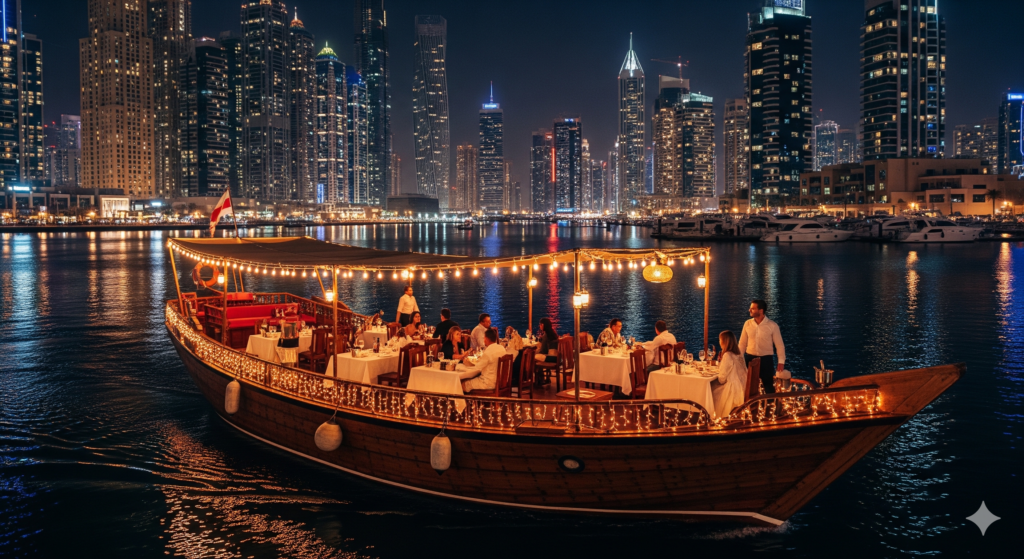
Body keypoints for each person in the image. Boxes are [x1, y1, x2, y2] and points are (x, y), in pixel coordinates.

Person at [738, 299, 786, 394]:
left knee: (768, 386)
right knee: (749, 387)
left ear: (761, 310)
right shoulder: (747, 324)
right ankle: (750, 407)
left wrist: (781, 362)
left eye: (752, 308)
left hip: (766, 360)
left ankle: (770, 407)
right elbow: (742, 343)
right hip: (750, 359)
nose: (749, 310)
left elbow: (779, 345)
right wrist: (738, 358)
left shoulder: (772, 325)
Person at [711, 331, 748, 418]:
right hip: (744, 387)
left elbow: (721, 379)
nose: (719, 342)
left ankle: (711, 417)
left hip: (734, 390)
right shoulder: (739, 354)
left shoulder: (727, 355)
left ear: (724, 342)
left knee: (710, 388)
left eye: (720, 340)